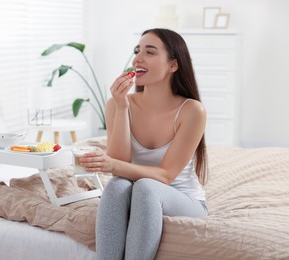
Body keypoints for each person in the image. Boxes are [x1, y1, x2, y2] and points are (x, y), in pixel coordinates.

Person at [78, 28, 208, 260]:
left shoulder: (191, 110)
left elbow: (166, 176)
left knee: (146, 186)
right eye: (137, 51)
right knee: (117, 186)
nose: (138, 58)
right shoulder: (118, 104)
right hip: (137, 189)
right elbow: (120, 162)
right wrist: (121, 107)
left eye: (150, 52)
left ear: (173, 65)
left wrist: (111, 165)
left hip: (183, 198)